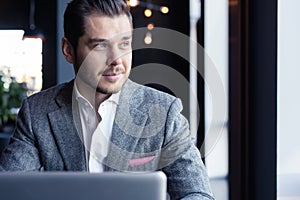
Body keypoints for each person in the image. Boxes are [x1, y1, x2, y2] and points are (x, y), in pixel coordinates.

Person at [0, 0, 214, 199]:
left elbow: (197, 193)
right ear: (68, 50)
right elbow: (8, 189)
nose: (116, 60)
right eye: (99, 46)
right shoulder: (37, 113)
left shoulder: (163, 113)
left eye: (124, 44)